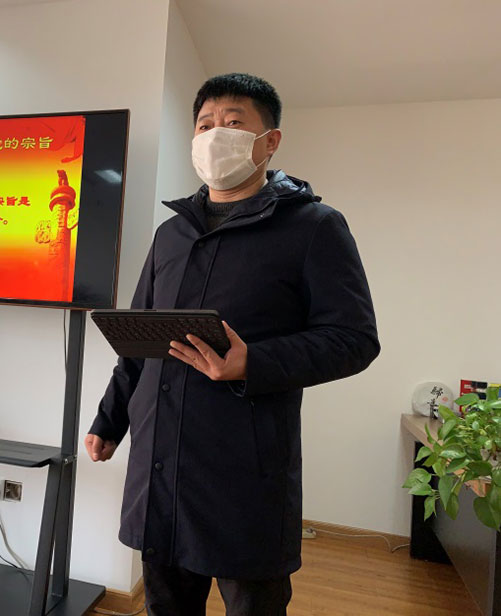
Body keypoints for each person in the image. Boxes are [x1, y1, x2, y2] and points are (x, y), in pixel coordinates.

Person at [84, 73, 380, 616]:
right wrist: (110, 420)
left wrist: (254, 362)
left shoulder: (313, 227)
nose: (215, 134)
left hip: (244, 472)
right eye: (205, 124)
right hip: (159, 463)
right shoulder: (171, 234)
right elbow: (140, 337)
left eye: (233, 122)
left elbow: (354, 339)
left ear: (270, 141)